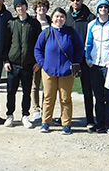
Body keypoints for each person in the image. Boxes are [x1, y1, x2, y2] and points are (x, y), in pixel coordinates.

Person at [34, 7, 85, 135]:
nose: (59, 19)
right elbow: (37, 49)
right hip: (48, 71)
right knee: (48, 98)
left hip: (66, 72)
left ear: (65, 19)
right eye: (56, 16)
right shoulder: (46, 33)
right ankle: (45, 123)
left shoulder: (71, 33)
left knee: (65, 99)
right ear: (52, 18)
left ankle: (66, 124)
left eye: (62, 17)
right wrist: (43, 64)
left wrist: (75, 63)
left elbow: (80, 49)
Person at [2, 0, 42, 128]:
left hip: (28, 64)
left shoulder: (34, 24)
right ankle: (10, 115)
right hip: (13, 64)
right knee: (11, 91)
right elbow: (6, 44)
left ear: (26, 6)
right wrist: (6, 61)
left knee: (27, 91)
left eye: (22, 5)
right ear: (15, 9)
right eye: (18, 6)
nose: (20, 8)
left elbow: (39, 44)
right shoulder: (11, 23)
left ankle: (25, 115)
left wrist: (37, 61)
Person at [85, 0, 109, 136]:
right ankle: (100, 123)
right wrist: (88, 58)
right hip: (95, 65)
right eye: (101, 8)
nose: (103, 10)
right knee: (98, 96)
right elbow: (88, 43)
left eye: (105, 7)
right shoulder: (92, 25)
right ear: (97, 10)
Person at [65, 0, 96, 131]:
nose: (75, 2)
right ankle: (65, 118)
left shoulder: (90, 17)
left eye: (78, 0)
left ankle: (90, 119)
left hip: (85, 60)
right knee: (64, 90)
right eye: (73, 0)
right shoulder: (66, 17)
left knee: (87, 90)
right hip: (69, 59)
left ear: (82, 0)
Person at [30, 0, 52, 123]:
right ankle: (36, 109)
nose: (41, 9)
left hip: (49, 59)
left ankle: (46, 110)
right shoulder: (32, 22)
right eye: (39, 7)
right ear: (35, 9)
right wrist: (36, 60)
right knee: (35, 85)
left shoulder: (50, 22)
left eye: (43, 6)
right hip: (35, 59)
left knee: (48, 86)